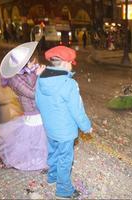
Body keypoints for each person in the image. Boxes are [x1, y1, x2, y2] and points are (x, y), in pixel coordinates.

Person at [35, 45, 92, 198]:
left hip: (50, 127)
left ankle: (52, 177)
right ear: (66, 64)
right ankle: (64, 190)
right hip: (65, 131)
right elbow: (77, 110)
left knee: (53, 152)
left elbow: (38, 103)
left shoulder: (41, 78)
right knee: (65, 159)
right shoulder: (69, 84)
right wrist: (86, 127)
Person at [0, 42, 48, 171]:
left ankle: (38, 157)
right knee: (35, 137)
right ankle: (32, 160)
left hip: (40, 108)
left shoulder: (30, 71)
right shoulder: (14, 79)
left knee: (40, 138)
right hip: (32, 111)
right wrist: (39, 76)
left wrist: (41, 74)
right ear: (24, 64)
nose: (35, 64)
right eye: (32, 62)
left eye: (35, 62)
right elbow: (32, 93)